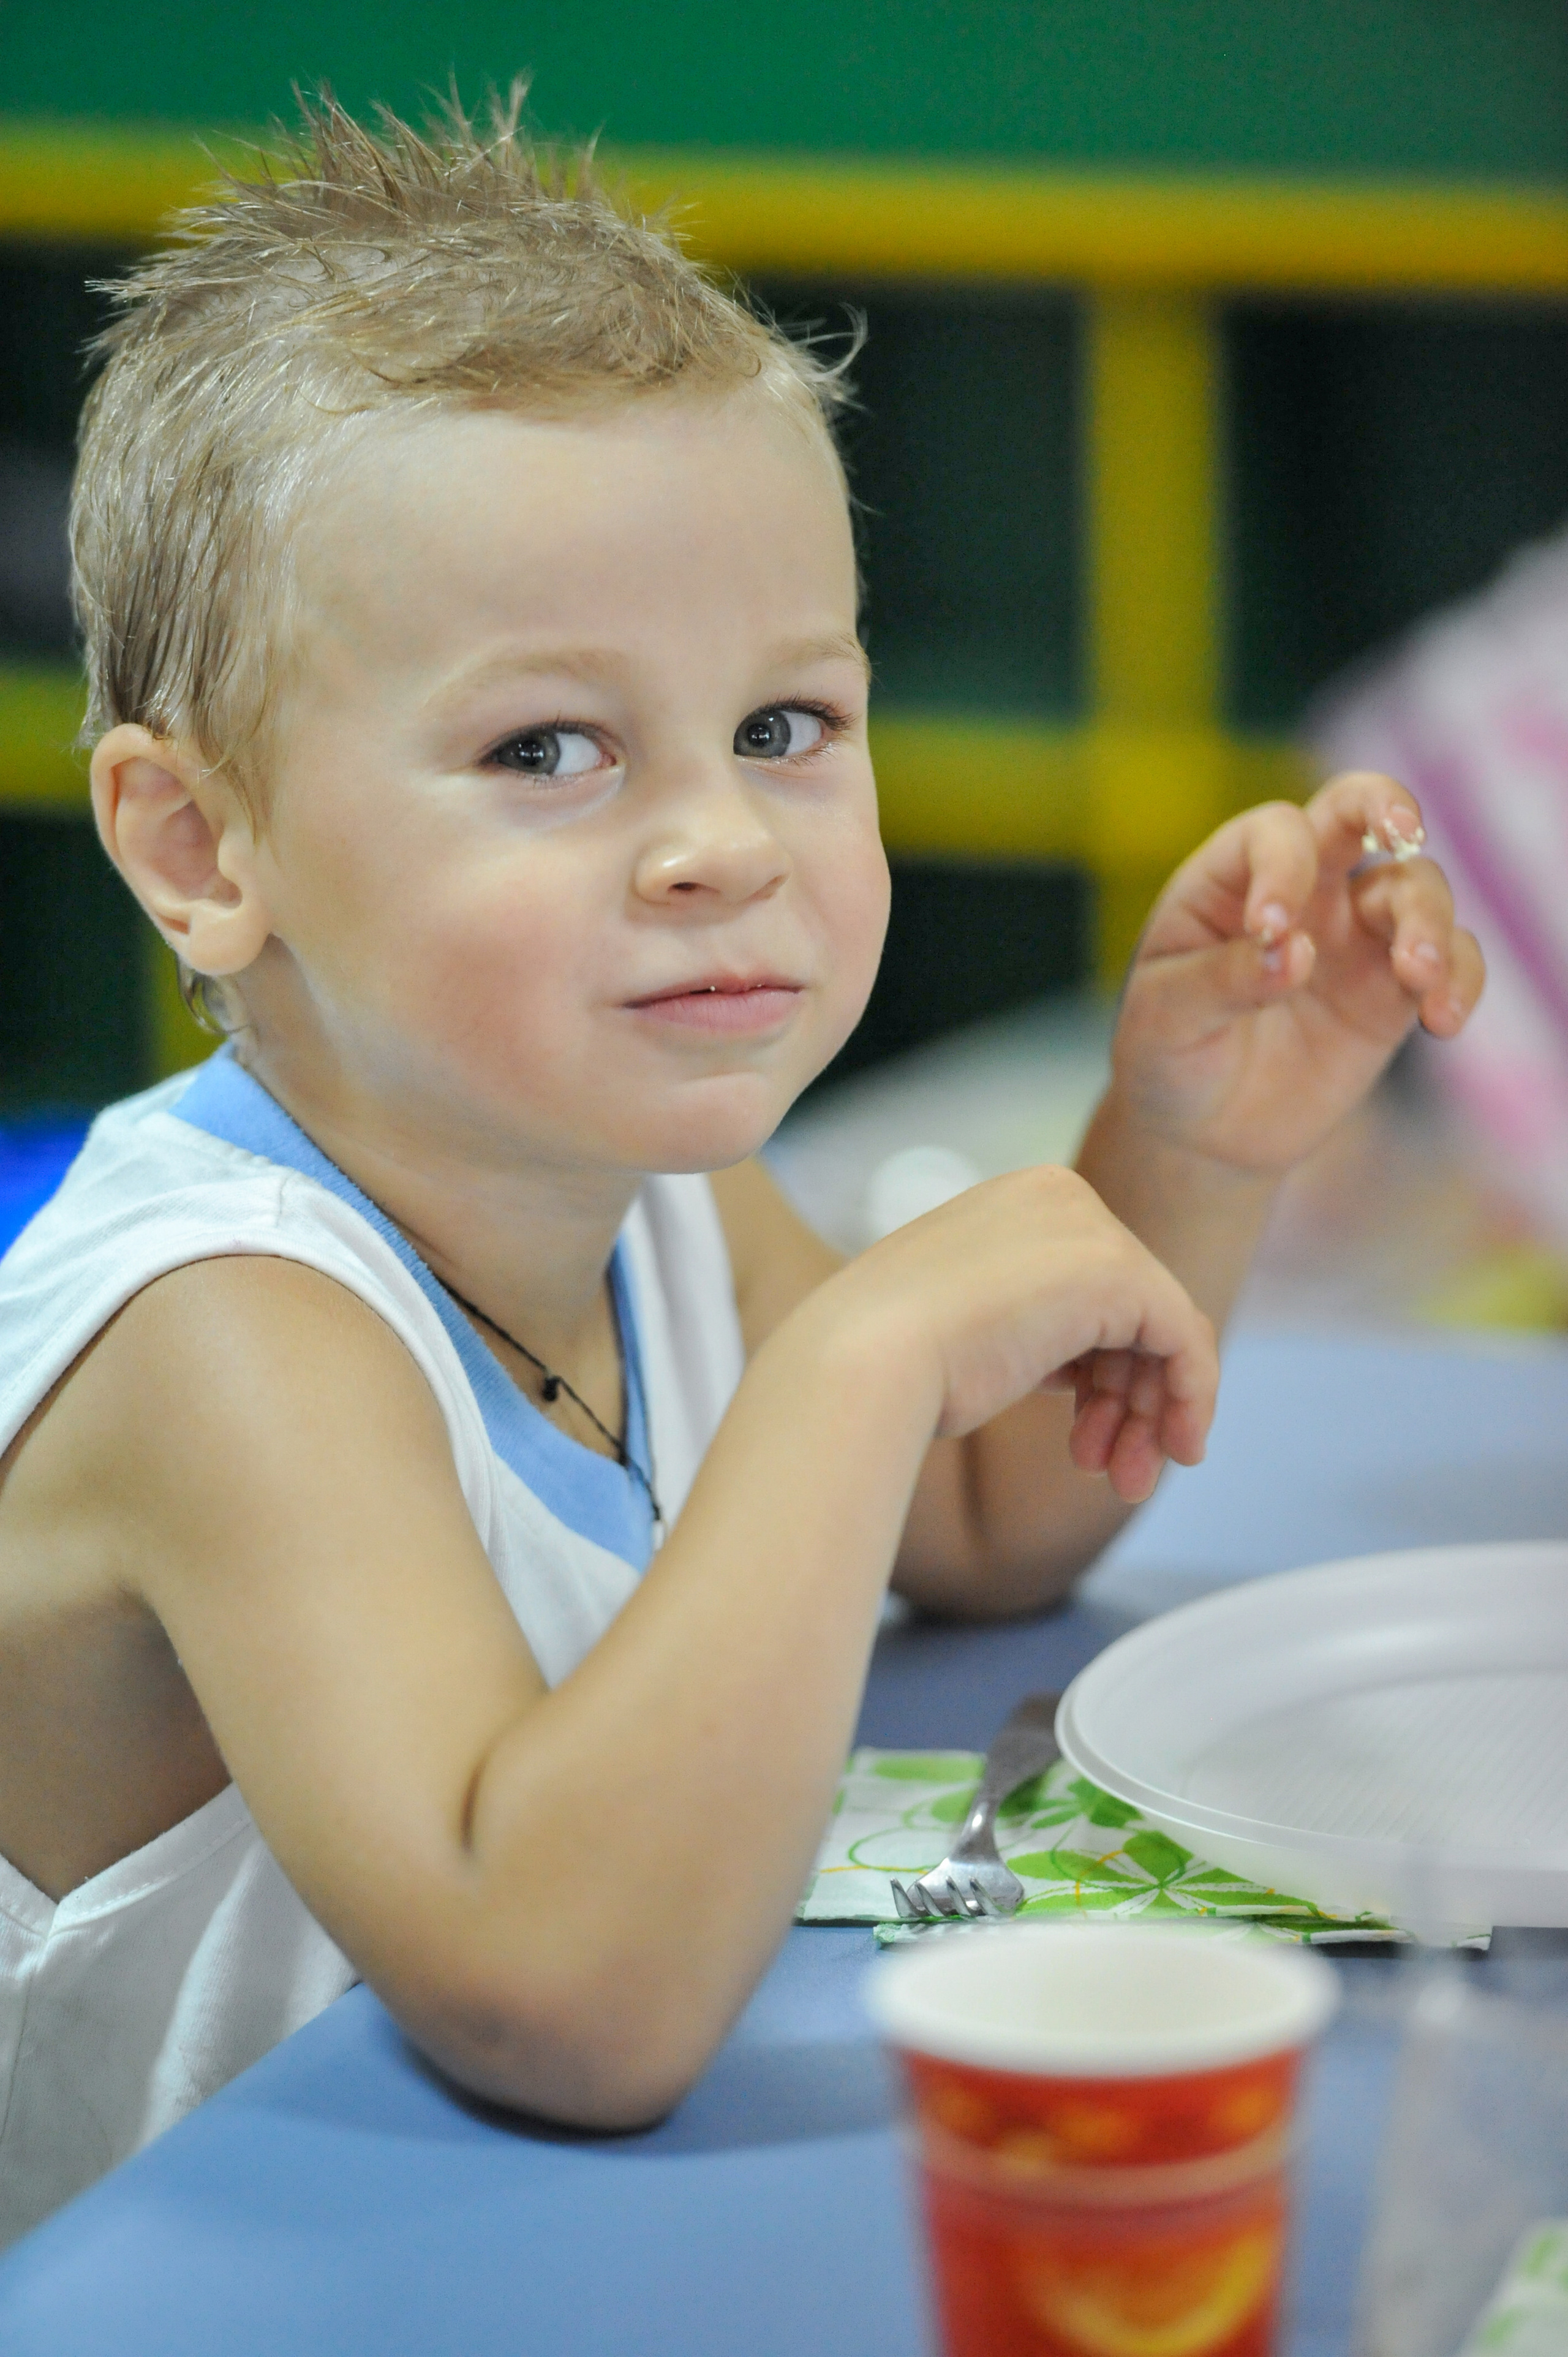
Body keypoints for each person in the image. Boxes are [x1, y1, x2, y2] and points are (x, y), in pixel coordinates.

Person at [0, 93, 1482, 2243]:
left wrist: (1188, 1140)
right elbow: (564, 2000)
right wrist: (855, 1356)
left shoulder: (633, 1177)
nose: (720, 843)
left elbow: (980, 1525)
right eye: (547, 750)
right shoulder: (235, 1339)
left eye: (786, 726)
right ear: (200, 851)